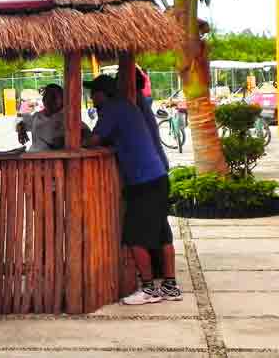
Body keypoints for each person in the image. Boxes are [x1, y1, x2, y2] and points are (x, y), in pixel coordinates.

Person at [83, 75, 182, 305]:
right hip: (157, 177)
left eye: (93, 93)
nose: (91, 97)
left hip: (142, 181)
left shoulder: (111, 109)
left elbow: (95, 139)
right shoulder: (126, 106)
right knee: (161, 234)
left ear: (101, 94)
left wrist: (81, 138)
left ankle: (148, 288)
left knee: (134, 236)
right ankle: (170, 286)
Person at [16, 84, 66, 151]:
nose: (49, 100)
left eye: (54, 97)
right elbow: (20, 118)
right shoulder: (37, 116)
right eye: (46, 96)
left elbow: (84, 136)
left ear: (63, 99)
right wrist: (21, 129)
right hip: (35, 157)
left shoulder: (69, 118)